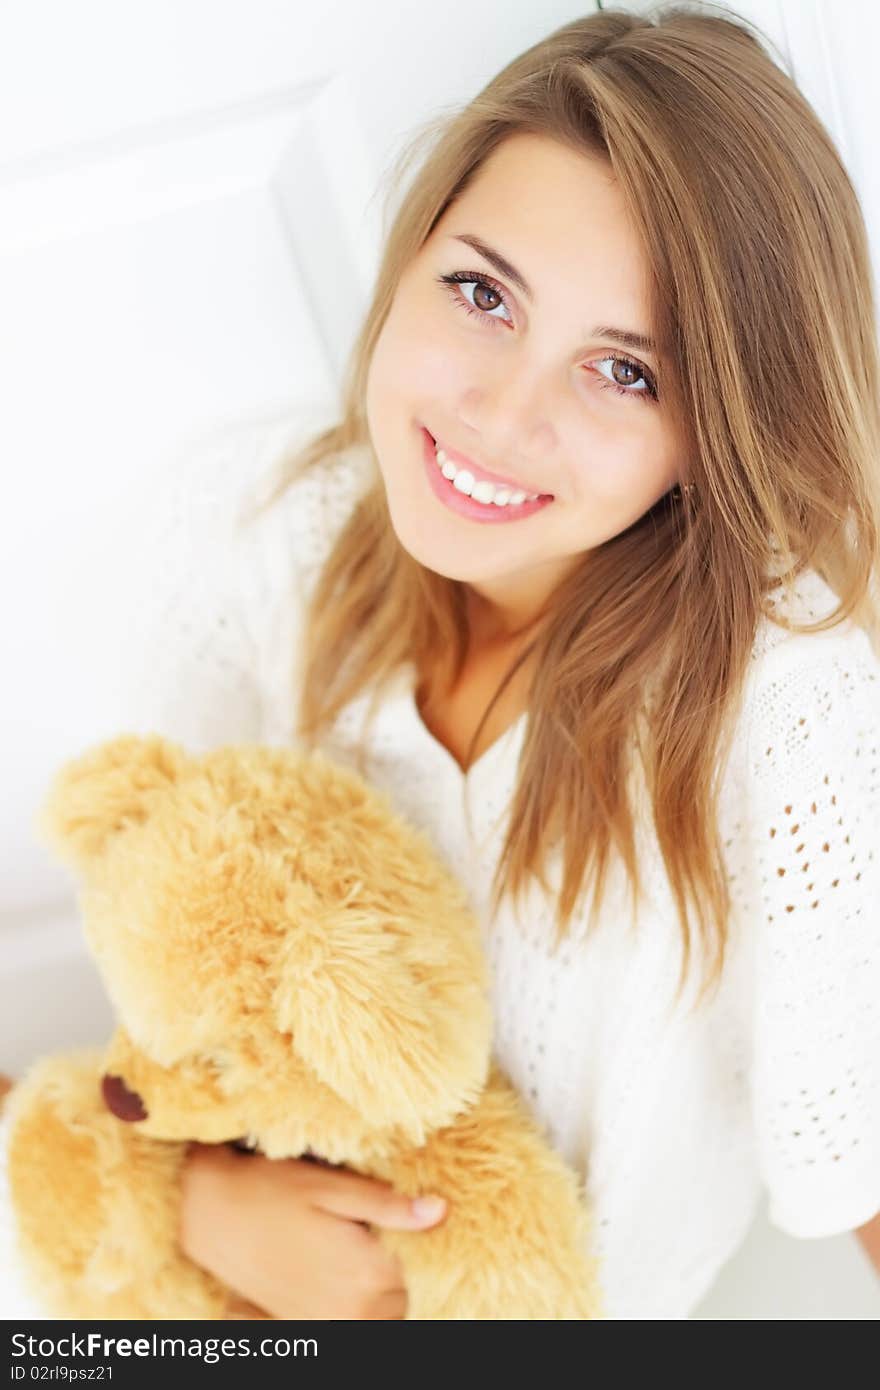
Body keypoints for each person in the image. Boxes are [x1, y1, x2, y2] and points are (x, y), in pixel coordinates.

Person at [2, 3, 880, 1320]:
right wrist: (199, 1201)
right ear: (408, 259)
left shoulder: (782, 709)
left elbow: (858, 1166)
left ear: (719, 431)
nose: (502, 413)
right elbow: (163, 987)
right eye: (483, 294)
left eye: (625, 372)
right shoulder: (254, 532)